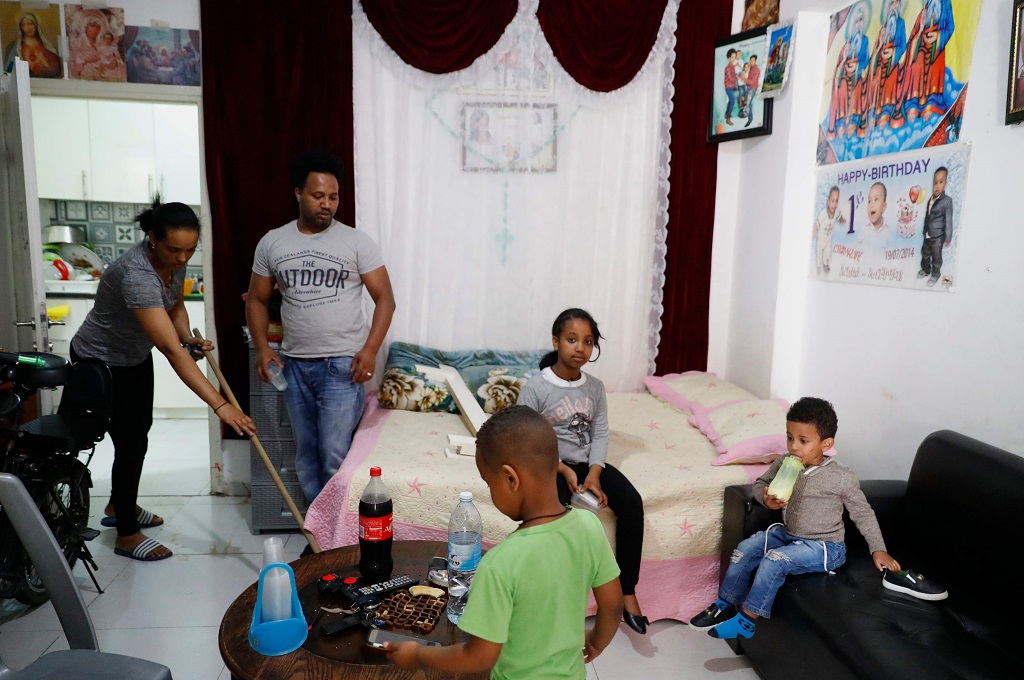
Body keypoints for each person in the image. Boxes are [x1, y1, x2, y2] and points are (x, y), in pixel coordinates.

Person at [71, 199, 256, 562]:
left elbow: (174, 304)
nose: (182, 258)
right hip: (100, 361)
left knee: (138, 433)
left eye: (190, 250)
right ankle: (127, 534)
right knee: (128, 441)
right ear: (152, 239)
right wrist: (220, 405)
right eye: (174, 250)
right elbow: (170, 351)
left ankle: (118, 504)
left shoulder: (172, 262)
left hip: (133, 357)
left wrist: (187, 336)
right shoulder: (137, 274)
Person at [386, 405, 623, 678]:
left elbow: (478, 658)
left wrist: (418, 655)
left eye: (489, 483)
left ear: (511, 479)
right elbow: (613, 605)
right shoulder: (589, 526)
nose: (490, 491)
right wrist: (596, 641)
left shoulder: (499, 564)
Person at [246, 150, 396, 505]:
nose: (327, 204)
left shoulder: (356, 242)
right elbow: (256, 300)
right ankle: (316, 527)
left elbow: (385, 299)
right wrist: (264, 349)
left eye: (333, 197)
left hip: (341, 366)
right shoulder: (273, 242)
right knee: (306, 454)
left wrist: (370, 349)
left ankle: (337, 530)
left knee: (334, 454)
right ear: (298, 193)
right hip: (294, 365)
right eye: (318, 196)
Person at [689, 397, 901, 640]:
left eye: (803, 441)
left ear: (826, 444)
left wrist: (878, 549)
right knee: (745, 549)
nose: (793, 447)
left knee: (774, 561)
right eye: (790, 438)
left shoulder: (840, 477)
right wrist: (765, 498)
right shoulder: (783, 462)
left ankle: (746, 622)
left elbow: (863, 512)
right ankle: (725, 604)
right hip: (788, 533)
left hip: (824, 546)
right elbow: (761, 483)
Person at [516, 308, 649, 634]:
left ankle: (627, 591)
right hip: (548, 464)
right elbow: (525, 439)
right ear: (556, 342)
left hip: (586, 463)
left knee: (632, 503)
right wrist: (562, 469)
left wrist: (594, 473)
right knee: (557, 516)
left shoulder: (595, 388)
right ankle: (555, 600)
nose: (580, 348)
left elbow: (600, 432)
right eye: (572, 340)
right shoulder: (536, 387)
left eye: (588, 342)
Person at [917, 166, 953, 287]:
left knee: (936, 256)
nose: (937, 186)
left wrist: (948, 237)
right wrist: (925, 230)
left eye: (940, 182)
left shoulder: (947, 201)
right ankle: (926, 269)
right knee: (925, 252)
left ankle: (935, 274)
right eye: (935, 183)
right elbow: (928, 216)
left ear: (945, 184)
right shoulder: (931, 199)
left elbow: (948, 220)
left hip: (938, 235)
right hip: (928, 233)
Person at [4, 13, 62, 78]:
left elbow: (55, 67)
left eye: (30, 24)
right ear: (21, 28)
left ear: (35, 25)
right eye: (24, 25)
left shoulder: (45, 44)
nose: (28, 28)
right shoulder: (15, 47)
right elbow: (9, 68)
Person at [815, 186, 847, 274]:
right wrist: (814, 231)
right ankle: (818, 267)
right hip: (821, 238)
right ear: (828, 201)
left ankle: (826, 264)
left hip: (828, 238)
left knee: (828, 252)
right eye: (832, 201)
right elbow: (817, 224)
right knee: (819, 252)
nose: (834, 204)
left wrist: (842, 220)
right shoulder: (823, 213)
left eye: (836, 201)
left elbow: (839, 216)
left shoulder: (836, 211)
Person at [723, 49, 741, 126]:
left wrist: (736, 65)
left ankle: (726, 114)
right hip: (728, 87)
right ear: (729, 57)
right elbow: (731, 79)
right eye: (732, 57)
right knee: (732, 101)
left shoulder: (732, 66)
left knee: (731, 101)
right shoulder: (728, 68)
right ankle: (728, 119)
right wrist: (738, 78)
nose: (734, 59)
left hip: (731, 86)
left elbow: (732, 68)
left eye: (735, 57)